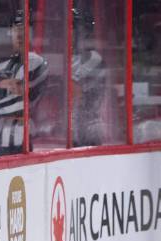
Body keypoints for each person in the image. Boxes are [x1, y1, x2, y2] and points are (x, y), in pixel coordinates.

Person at [0, 10, 48, 157]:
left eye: (25, 30)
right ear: (10, 32)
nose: (19, 35)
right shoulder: (3, 63)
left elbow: (21, 101)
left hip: (19, 144)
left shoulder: (36, 62)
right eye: (16, 29)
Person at [70, 7, 106, 147]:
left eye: (74, 27)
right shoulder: (63, 58)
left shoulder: (93, 58)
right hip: (68, 129)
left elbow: (74, 89)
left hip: (88, 129)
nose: (70, 32)